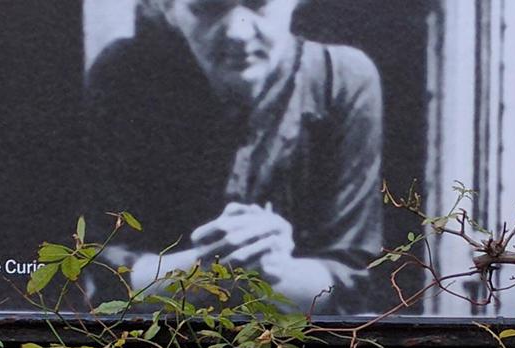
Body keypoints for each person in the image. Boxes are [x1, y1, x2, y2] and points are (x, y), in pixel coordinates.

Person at [84, 0, 384, 314]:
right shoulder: (123, 78)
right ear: (168, 9)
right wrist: (209, 268)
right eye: (208, 7)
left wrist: (264, 267)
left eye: (259, 4)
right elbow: (104, 275)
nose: (239, 32)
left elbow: (351, 284)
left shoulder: (341, 80)